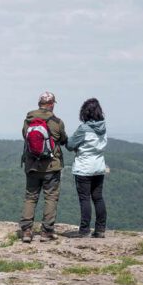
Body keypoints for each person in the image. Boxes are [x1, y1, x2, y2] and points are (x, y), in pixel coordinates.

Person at [20, 91, 68, 243]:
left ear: (39, 103)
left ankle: (27, 231)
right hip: (51, 166)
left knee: (31, 197)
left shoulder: (28, 120)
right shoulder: (57, 122)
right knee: (51, 197)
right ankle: (46, 232)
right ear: (52, 104)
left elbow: (25, 136)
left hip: (32, 165)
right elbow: (63, 139)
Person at [66, 98, 107, 238]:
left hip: (84, 168)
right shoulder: (103, 128)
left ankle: (84, 230)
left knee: (85, 199)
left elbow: (70, 145)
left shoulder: (83, 129)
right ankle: (100, 229)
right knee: (98, 198)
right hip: (99, 167)